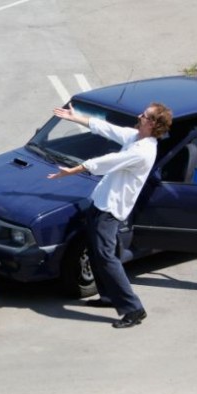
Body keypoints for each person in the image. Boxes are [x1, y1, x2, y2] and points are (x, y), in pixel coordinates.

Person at [48, 102, 173, 328]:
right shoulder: (136, 137)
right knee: (98, 252)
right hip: (101, 203)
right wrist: (74, 118)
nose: (139, 115)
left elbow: (107, 162)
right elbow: (106, 128)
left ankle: (134, 309)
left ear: (152, 123)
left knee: (106, 257)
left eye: (144, 115)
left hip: (110, 210)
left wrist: (73, 170)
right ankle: (107, 297)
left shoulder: (142, 151)